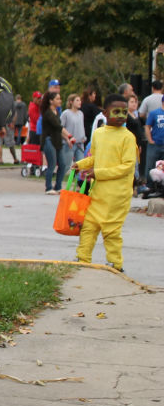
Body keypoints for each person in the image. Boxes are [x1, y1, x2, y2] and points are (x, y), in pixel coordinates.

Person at [72, 94, 137, 272]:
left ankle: (115, 263)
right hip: (99, 192)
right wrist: (80, 164)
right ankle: (82, 258)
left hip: (117, 194)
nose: (122, 115)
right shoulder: (99, 134)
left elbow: (127, 167)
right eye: (117, 111)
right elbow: (94, 158)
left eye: (125, 112)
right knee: (89, 225)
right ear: (106, 113)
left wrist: (98, 173)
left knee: (111, 230)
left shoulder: (128, 138)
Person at [40, 91, 69, 194]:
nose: (59, 100)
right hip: (49, 141)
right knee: (52, 164)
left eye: (60, 98)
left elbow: (58, 130)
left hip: (57, 141)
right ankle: (48, 187)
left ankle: (58, 186)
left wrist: (67, 139)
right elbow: (58, 127)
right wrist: (69, 136)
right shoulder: (48, 113)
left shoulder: (57, 112)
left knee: (63, 164)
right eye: (57, 99)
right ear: (51, 101)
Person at [61, 93, 88, 165]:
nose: (80, 102)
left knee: (80, 165)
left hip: (80, 144)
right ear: (71, 102)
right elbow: (60, 127)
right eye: (77, 100)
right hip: (70, 143)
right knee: (66, 165)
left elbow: (82, 126)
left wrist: (84, 137)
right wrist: (67, 138)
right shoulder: (66, 113)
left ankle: (78, 176)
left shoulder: (81, 113)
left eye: (80, 100)